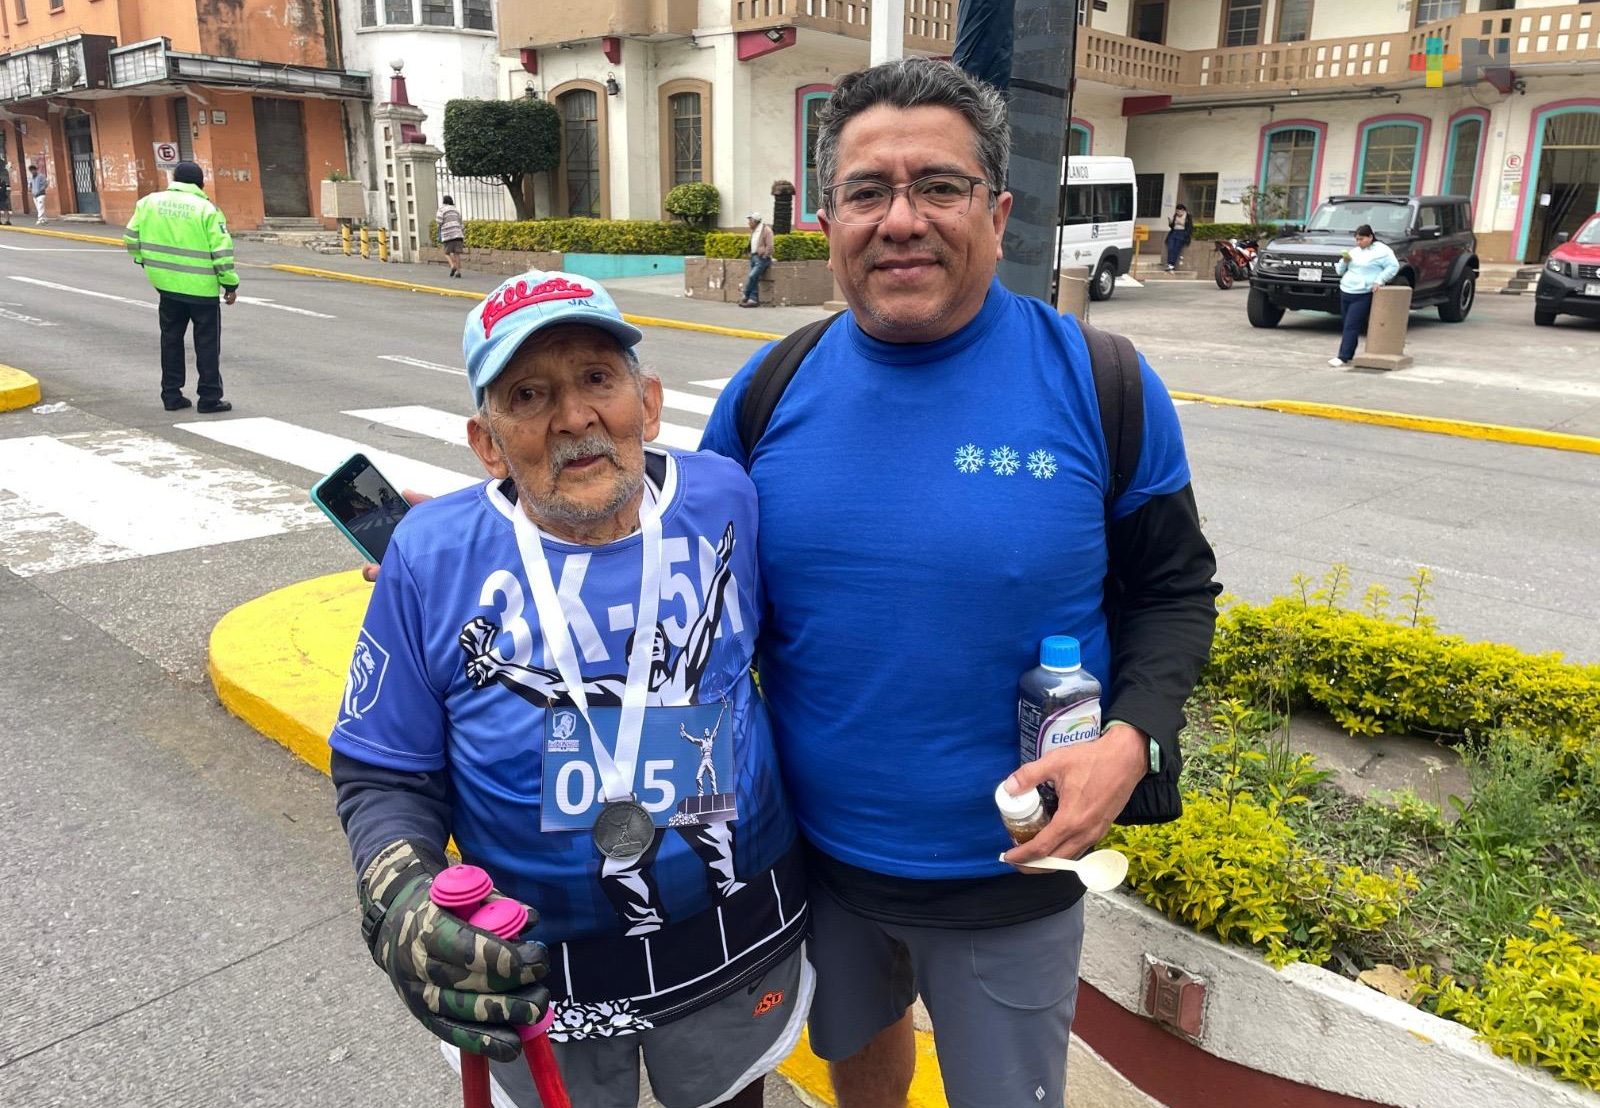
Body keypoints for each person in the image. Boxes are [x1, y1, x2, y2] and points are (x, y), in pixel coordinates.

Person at [699, 57, 1220, 1108]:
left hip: (1013, 877)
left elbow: (1174, 590)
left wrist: (1131, 740)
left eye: (938, 186)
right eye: (867, 191)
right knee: (860, 1060)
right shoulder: (765, 395)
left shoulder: (1102, 382)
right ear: (827, 217)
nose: (901, 220)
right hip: (816, 863)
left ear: (997, 210)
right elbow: (682, 599)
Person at [330, 269, 811, 1108]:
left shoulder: (727, 498)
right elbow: (384, 774)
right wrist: (401, 895)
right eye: (528, 394)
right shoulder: (431, 556)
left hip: (735, 937)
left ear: (647, 401)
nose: (574, 418)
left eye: (597, 379)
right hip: (539, 974)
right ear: (488, 443)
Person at [123, 161, 238, 413]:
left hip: (167, 288)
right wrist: (230, 285)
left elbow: (131, 237)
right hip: (202, 291)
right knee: (206, 344)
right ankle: (209, 398)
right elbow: (221, 252)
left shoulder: (148, 203)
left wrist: (143, 260)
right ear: (201, 184)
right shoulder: (207, 210)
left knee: (171, 340)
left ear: (174, 179)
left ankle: (171, 395)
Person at [1329, 222, 1400, 368]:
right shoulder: (1355, 251)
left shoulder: (1382, 251)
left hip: (1363, 292)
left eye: (1361, 239)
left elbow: (1393, 266)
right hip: (1347, 289)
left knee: (1352, 324)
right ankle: (1348, 354)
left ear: (1370, 237)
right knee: (1347, 324)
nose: (1358, 242)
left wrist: (1380, 280)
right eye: (1356, 239)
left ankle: (1342, 356)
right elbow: (1340, 271)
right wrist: (1344, 261)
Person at [738, 211, 774, 308]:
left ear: (755, 221)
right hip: (754, 257)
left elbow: (770, 245)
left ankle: (745, 294)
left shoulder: (766, 230)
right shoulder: (754, 230)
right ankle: (753, 300)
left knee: (752, 276)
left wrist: (765, 256)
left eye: (750, 220)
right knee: (754, 278)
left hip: (762, 259)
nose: (748, 222)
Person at [438, 195, 466, 279]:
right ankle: (458, 272)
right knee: (457, 253)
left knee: (446, 252)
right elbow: (460, 222)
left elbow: (439, 221)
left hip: (448, 234)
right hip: (458, 234)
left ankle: (452, 265)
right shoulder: (456, 210)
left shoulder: (441, 210)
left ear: (444, 201)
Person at [1165, 202, 1191, 272]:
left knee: (1176, 249)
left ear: (1183, 210)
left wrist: (1186, 234)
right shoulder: (1175, 216)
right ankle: (1169, 264)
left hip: (1181, 233)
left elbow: (1190, 227)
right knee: (1170, 248)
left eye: (1179, 211)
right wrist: (1170, 223)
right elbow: (1172, 226)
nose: (1178, 213)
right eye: (1177, 211)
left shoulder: (1187, 216)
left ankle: (1171, 265)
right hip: (1174, 233)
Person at [0, 159, 12, 225]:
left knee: (5, 209)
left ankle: (7, 221)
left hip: (3, 198)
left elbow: (3, 191)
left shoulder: (3, 183)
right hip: (2, 198)